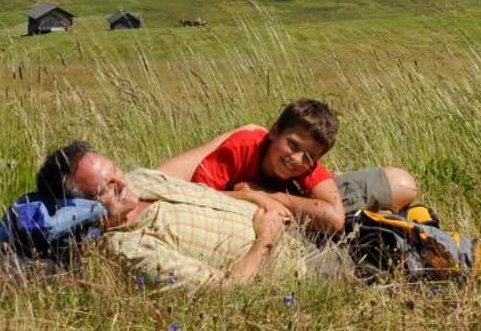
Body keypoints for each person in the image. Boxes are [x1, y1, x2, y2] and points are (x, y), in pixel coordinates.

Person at [38, 139, 334, 289]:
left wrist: (254, 197)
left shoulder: (141, 180)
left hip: (295, 222)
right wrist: (266, 240)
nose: (121, 183)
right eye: (106, 188)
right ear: (82, 209)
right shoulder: (130, 249)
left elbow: (205, 195)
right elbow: (224, 290)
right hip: (300, 267)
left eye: (114, 169)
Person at [158, 98, 417, 235]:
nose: (296, 160)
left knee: (403, 185)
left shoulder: (306, 166)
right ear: (273, 132)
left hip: (297, 205)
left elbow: (334, 219)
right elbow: (197, 197)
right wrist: (248, 197)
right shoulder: (242, 147)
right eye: (292, 145)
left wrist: (265, 195)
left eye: (308, 157)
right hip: (247, 217)